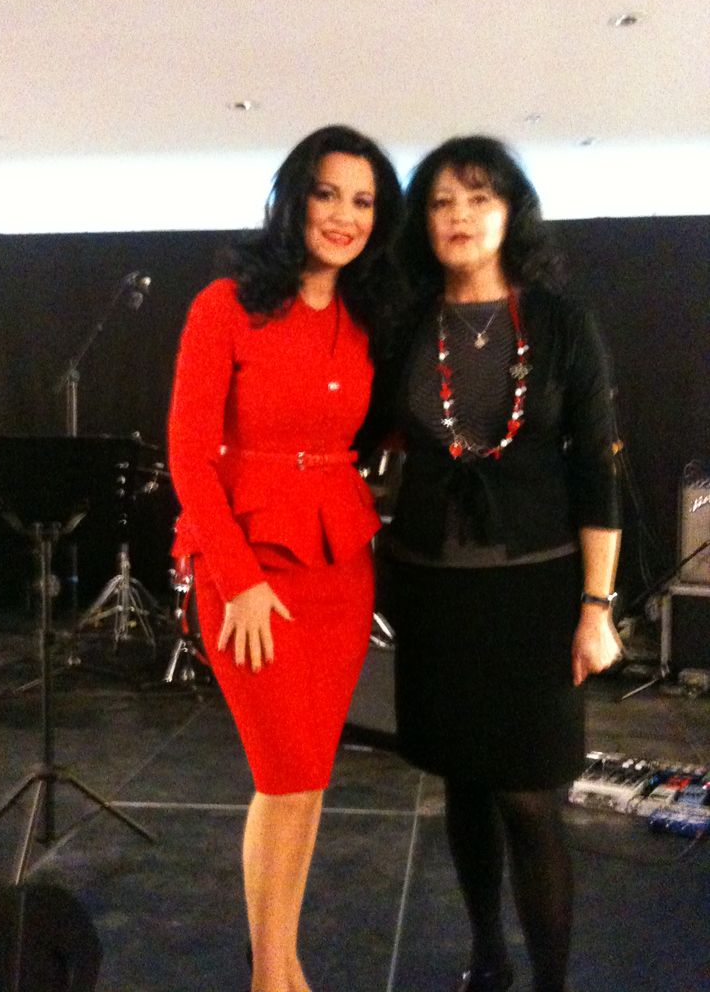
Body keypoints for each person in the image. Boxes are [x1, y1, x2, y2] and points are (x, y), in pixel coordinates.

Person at [167, 125, 402, 992]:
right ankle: (270, 977)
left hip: (340, 570)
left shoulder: (366, 320)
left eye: (363, 201)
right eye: (328, 193)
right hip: (249, 574)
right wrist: (239, 580)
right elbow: (189, 454)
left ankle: (284, 960)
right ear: (295, 197)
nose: (344, 215)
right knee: (283, 771)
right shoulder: (224, 305)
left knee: (309, 780)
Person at [384, 137, 622, 992]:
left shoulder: (560, 323)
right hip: (434, 591)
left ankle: (551, 982)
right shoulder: (404, 325)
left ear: (511, 211)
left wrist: (597, 606)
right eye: (442, 201)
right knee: (464, 782)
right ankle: (488, 955)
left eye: (479, 198)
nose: (460, 216)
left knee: (528, 795)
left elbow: (597, 471)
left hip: (536, 590)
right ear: (423, 221)